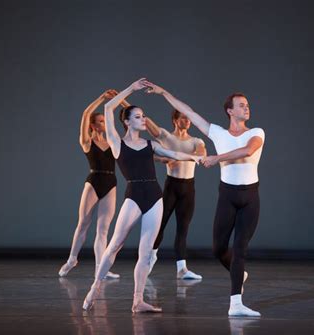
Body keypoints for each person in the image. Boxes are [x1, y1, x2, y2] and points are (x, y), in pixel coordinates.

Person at [144, 80, 265, 317]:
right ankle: (238, 273)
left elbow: (247, 151)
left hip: (250, 197)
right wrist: (163, 92)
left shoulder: (256, 132)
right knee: (218, 249)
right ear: (230, 110)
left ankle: (236, 304)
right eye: (241, 105)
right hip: (228, 195)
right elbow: (188, 111)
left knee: (239, 249)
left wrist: (216, 159)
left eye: (247, 105)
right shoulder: (217, 133)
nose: (246, 108)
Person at [82, 79, 201, 313]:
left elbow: (174, 153)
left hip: (155, 196)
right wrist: (130, 90)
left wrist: (195, 158)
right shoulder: (117, 143)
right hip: (134, 195)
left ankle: (138, 301)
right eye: (137, 117)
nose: (143, 119)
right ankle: (95, 286)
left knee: (146, 253)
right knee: (115, 244)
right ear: (126, 122)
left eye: (143, 116)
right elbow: (108, 108)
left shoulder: (150, 144)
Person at [58, 89, 128, 279]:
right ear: (93, 125)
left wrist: (120, 101)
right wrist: (102, 98)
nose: (104, 123)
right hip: (94, 182)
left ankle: (101, 269)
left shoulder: (114, 142)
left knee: (103, 229)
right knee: (83, 224)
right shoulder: (87, 141)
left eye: (105, 121)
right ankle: (72, 259)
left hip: (110, 182)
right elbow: (85, 114)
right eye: (101, 121)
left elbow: (129, 118)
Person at [145, 111, 206, 279]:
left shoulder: (196, 141)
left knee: (182, 228)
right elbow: (146, 121)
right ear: (175, 120)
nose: (187, 121)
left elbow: (202, 155)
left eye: (189, 119)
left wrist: (175, 158)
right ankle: (150, 258)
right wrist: (161, 159)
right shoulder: (166, 137)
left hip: (188, 188)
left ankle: (182, 269)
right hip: (172, 186)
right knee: (160, 224)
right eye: (183, 118)